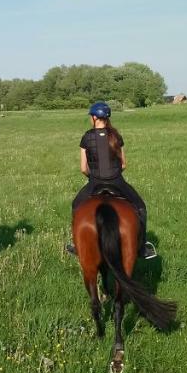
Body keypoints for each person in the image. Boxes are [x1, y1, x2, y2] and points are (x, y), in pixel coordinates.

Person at [66, 102, 157, 259]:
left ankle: (76, 245)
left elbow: (83, 168)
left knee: (76, 205)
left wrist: (93, 177)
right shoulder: (116, 136)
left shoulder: (87, 137)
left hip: (94, 182)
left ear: (94, 117)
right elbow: (123, 164)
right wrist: (113, 174)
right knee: (141, 207)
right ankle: (142, 248)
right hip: (117, 182)